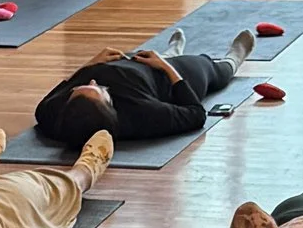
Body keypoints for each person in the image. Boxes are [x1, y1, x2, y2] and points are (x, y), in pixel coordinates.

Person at [31, 27, 251, 154]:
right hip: (164, 77)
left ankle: (169, 51)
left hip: (129, 60)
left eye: (80, 88)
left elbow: (45, 102)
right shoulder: (143, 115)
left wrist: (89, 65)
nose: (92, 80)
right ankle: (234, 57)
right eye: (97, 89)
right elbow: (195, 113)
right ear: (110, 104)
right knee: (212, 70)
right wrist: (167, 68)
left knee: (145, 54)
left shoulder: (52, 116)